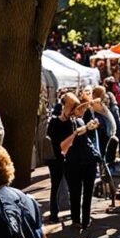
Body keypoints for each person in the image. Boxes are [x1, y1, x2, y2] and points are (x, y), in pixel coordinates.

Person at [62, 97, 101, 229]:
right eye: (81, 108)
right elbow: (76, 136)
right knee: (83, 192)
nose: (83, 110)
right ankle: (82, 220)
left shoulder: (74, 121)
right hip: (81, 162)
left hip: (76, 162)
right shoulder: (72, 122)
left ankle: (79, 220)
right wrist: (87, 127)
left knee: (76, 192)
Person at [43, 93, 81, 224]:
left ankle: (73, 213)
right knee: (55, 186)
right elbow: (53, 141)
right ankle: (54, 213)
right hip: (56, 159)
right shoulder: (54, 122)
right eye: (71, 108)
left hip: (67, 158)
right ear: (65, 106)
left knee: (71, 185)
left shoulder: (72, 123)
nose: (71, 112)